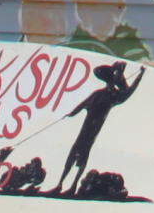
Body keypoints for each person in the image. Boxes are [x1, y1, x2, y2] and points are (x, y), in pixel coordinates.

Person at [51, 61, 141, 196]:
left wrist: (140, 75)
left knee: (81, 155)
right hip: (87, 130)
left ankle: (72, 186)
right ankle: (60, 184)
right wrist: (71, 114)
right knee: (74, 154)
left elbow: (130, 90)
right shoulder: (102, 94)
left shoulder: (113, 96)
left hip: (91, 131)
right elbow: (82, 105)